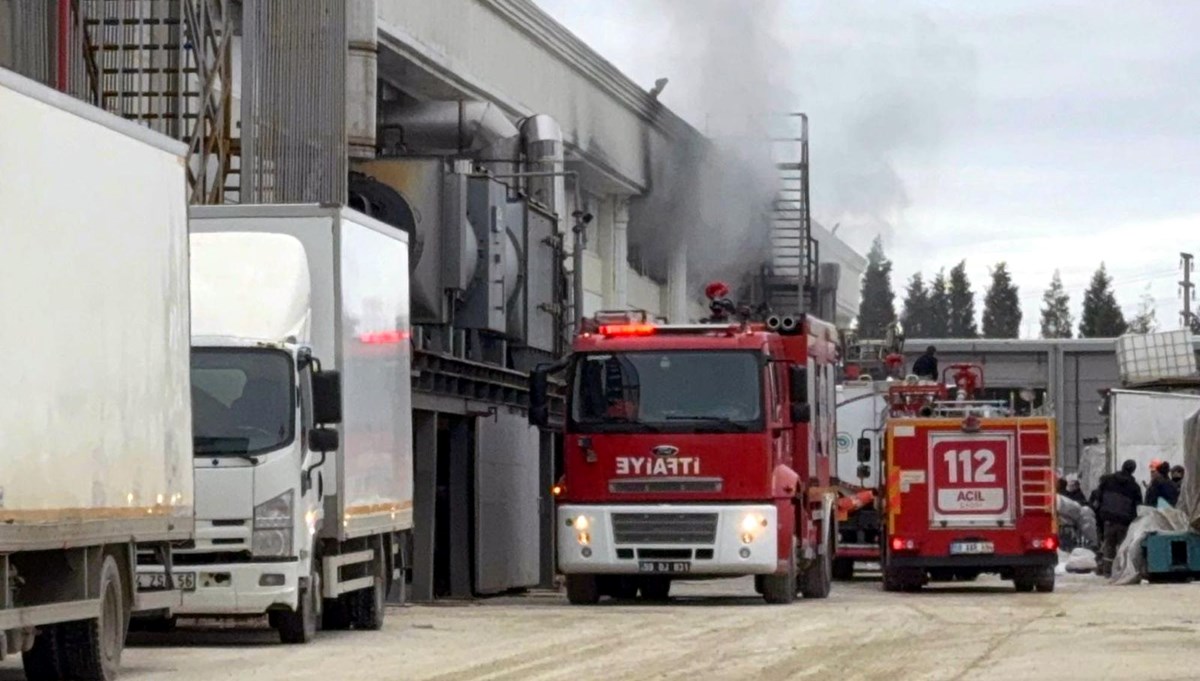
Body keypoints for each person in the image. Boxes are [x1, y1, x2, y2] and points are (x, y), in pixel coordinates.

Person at [1095, 459, 1143, 577]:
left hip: (1108, 519)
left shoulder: (1107, 480)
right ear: (1133, 470)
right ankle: (1121, 570)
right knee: (1123, 546)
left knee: (1109, 546)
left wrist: (1100, 516)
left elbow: (1098, 498)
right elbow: (1138, 506)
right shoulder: (1134, 487)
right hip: (1124, 522)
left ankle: (1107, 571)